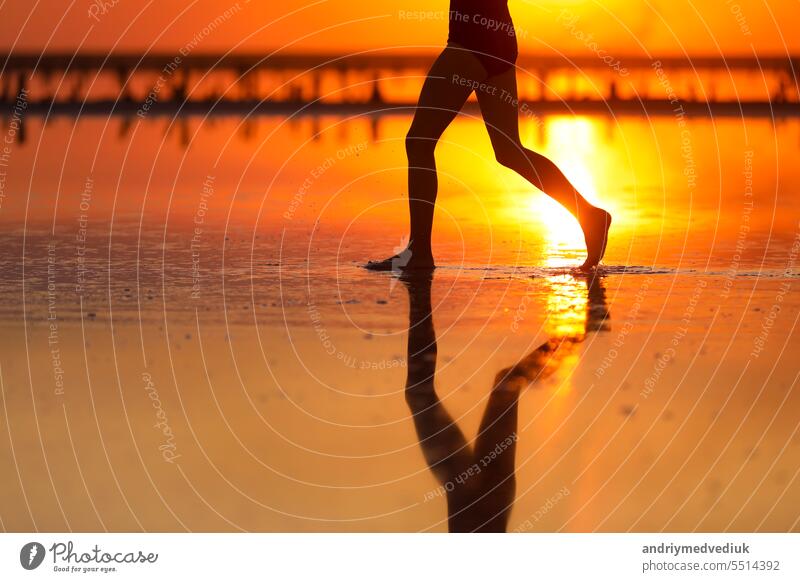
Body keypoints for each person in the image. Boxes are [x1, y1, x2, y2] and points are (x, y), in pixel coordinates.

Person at [366, 0, 611, 272]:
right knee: (509, 150)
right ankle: (589, 215)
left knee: (419, 142)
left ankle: (419, 251)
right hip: (497, 39)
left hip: (473, 40)